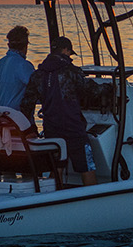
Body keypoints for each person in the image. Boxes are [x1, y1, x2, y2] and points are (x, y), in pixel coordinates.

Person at [19, 36, 96, 185]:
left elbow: (26, 104)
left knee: (56, 167)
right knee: (87, 166)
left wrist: (29, 129)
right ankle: (96, 201)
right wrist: (108, 89)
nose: (69, 56)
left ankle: (54, 198)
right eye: (69, 53)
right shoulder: (71, 71)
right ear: (66, 50)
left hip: (51, 129)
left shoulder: (37, 75)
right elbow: (89, 90)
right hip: (74, 129)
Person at [0, 25, 35, 110]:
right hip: (16, 117)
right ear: (26, 45)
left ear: (8, 45)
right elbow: (38, 89)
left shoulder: (0, 63)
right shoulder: (24, 65)